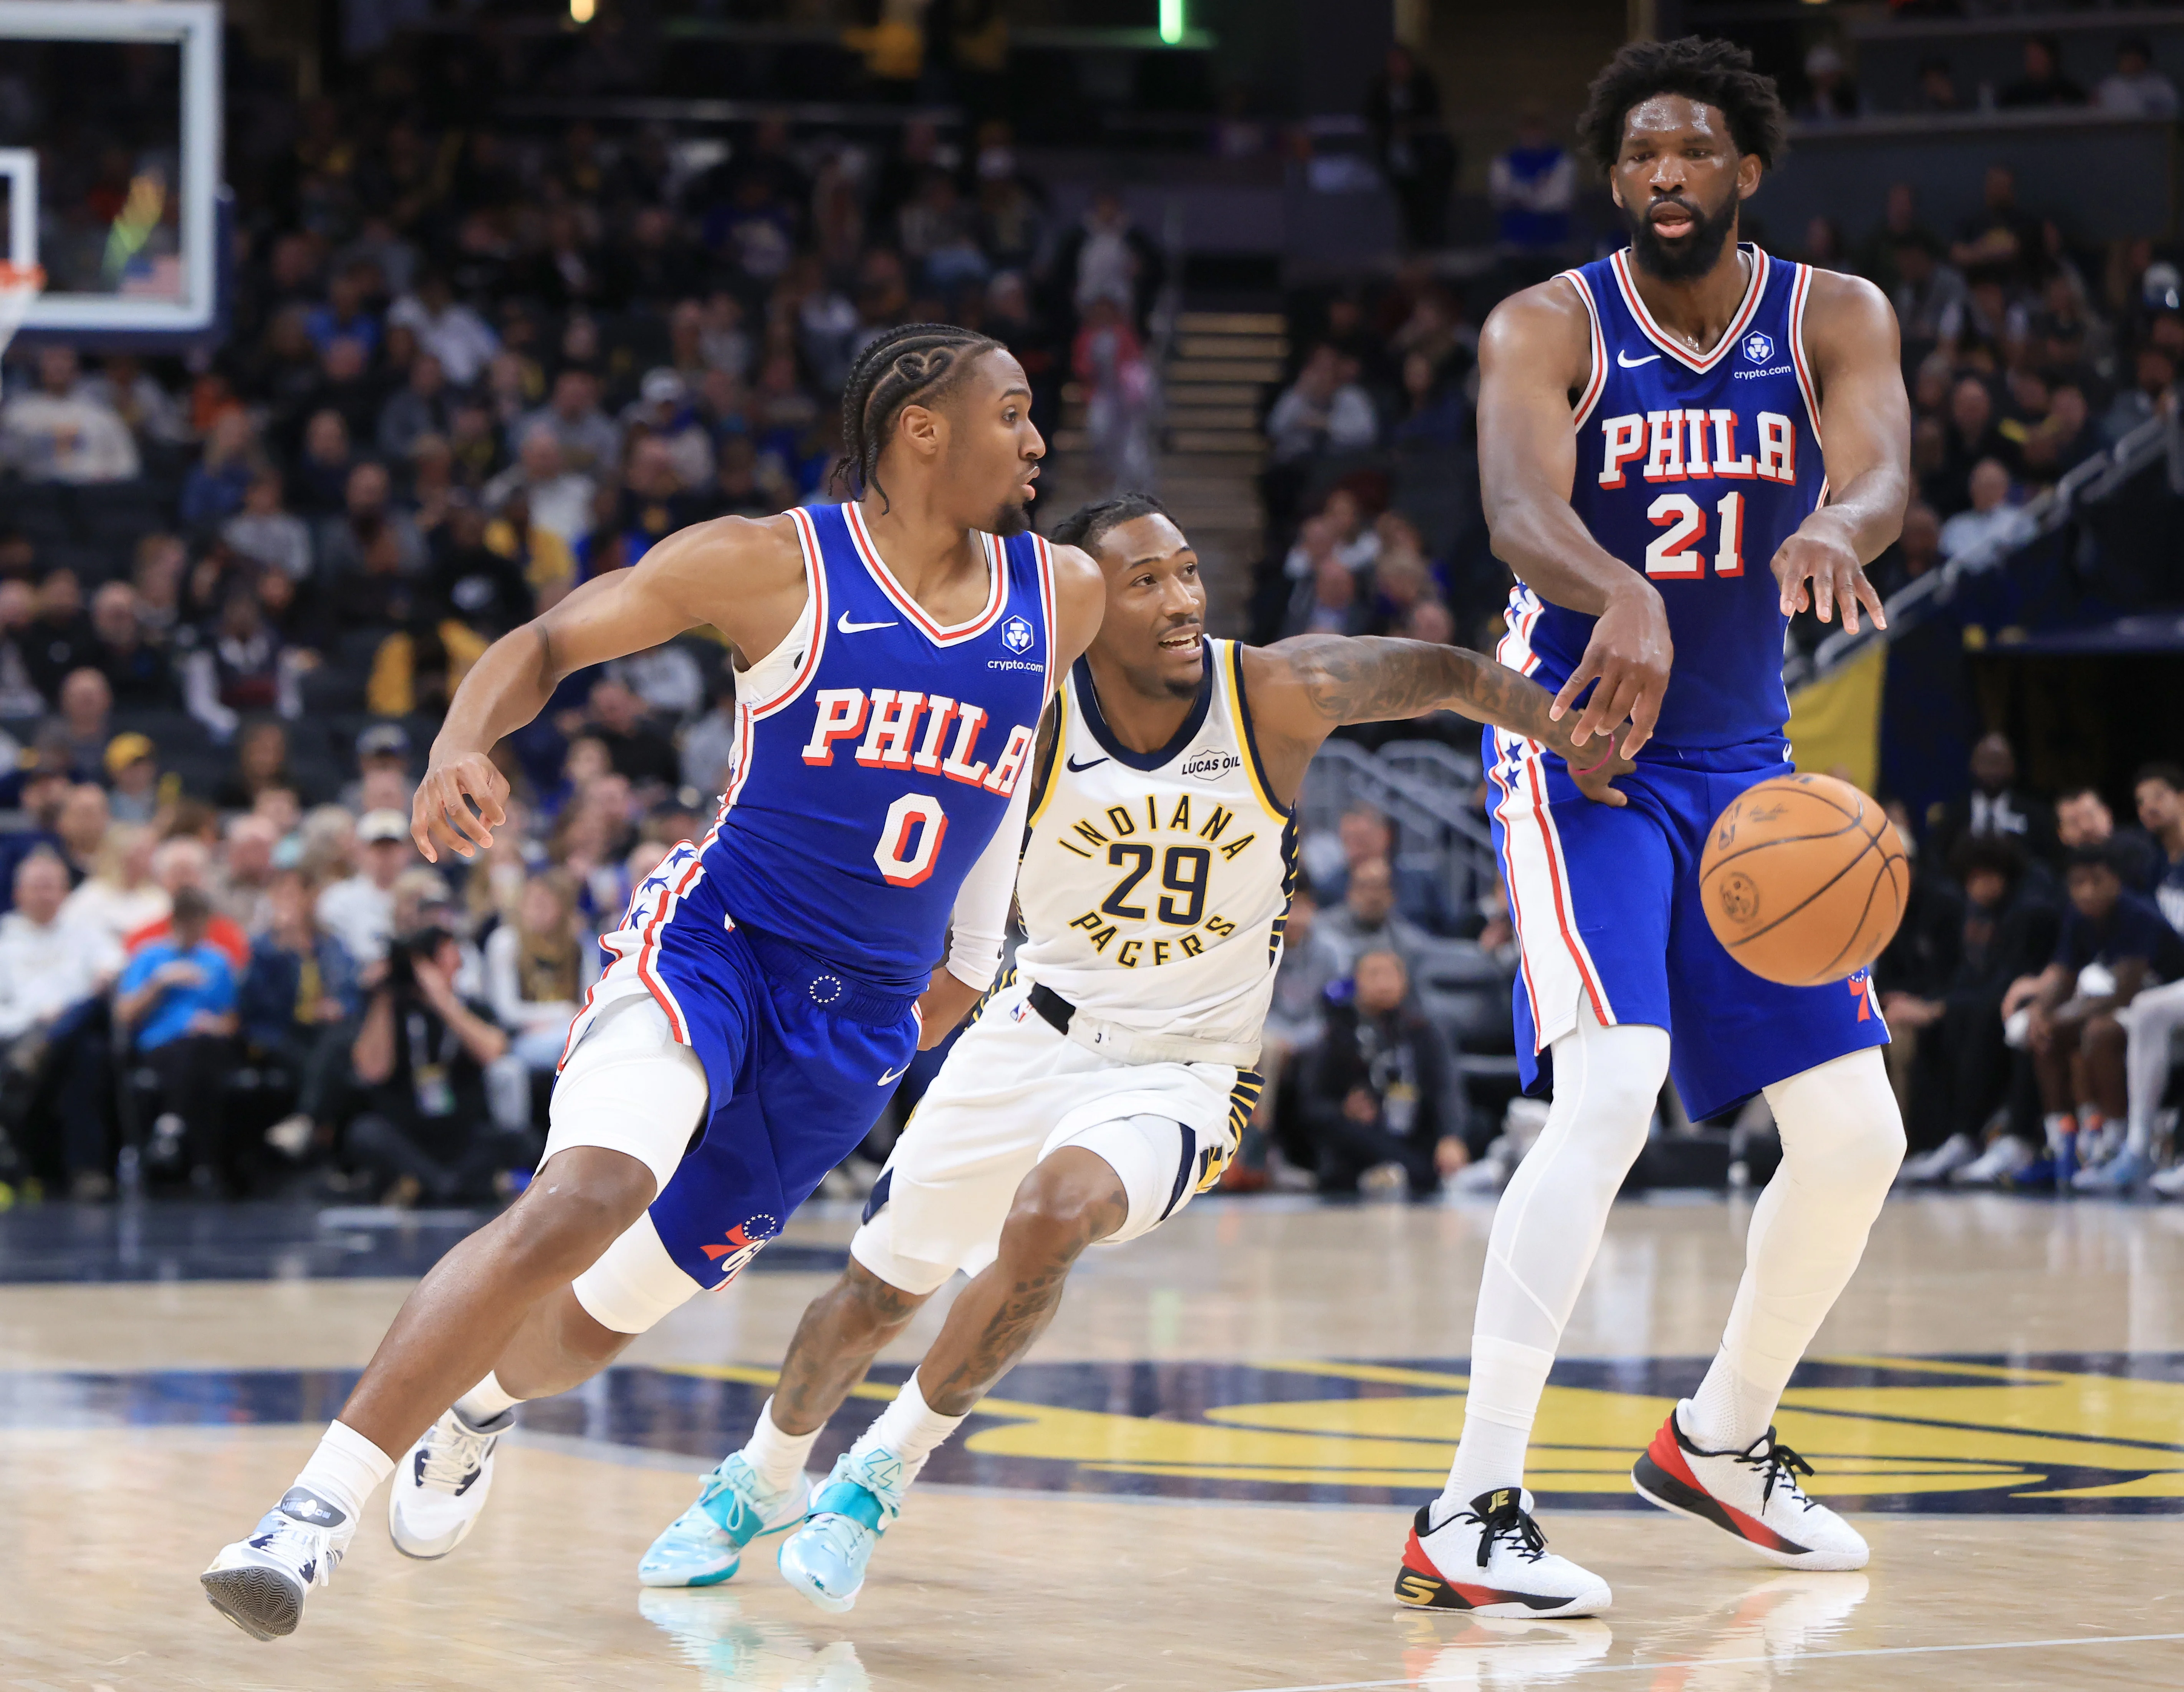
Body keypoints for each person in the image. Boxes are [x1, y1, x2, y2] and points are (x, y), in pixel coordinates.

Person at [201, 322, 1107, 1642]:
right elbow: (551, 641)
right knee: (586, 1192)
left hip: (854, 1022)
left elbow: (1003, 769)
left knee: (589, 1330)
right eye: (1013, 413)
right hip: (716, 944)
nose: (1036, 442)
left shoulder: (1062, 590)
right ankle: (310, 1510)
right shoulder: (767, 561)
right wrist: (459, 739)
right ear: (923, 427)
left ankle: (478, 1407)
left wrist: (969, 964)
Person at [629, 494, 1629, 1604]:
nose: (1179, 599)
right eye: (1144, 581)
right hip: (1028, 1030)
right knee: (871, 1293)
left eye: (1187, 571)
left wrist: (1562, 733)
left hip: (1189, 1066)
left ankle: (880, 1470)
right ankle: (761, 1472)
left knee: (1053, 1214)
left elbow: (1443, 671)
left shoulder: (1274, 692)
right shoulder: (1024, 715)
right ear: (1084, 604)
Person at [1399, 38, 1913, 1616]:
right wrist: (1610, 587)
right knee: (1608, 1091)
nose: (1662, 181)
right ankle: (1467, 1501)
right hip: (1579, 753)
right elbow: (1512, 510)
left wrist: (1835, 517)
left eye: (1689, 155)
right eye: (1635, 161)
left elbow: (1882, 463)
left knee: (1854, 1137)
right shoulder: (1542, 324)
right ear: (1610, 178)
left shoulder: (1831, 311)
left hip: (1744, 778)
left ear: (1742, 170)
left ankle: (1718, 1440)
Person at [1999, 846, 2184, 1185]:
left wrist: (2058, 1018)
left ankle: (2115, 1141)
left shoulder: (2138, 914)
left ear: (2115, 882)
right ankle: (2061, 1142)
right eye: (2077, 883)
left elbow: (2125, 992)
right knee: (2039, 1033)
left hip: (2159, 1010)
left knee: (2099, 1033)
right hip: (2124, 1007)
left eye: (2095, 881)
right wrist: (2041, 1012)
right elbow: (2064, 976)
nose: (2086, 891)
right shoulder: (2077, 915)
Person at [344, 925, 523, 1207]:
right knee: (365, 1132)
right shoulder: (391, 1010)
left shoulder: (470, 1007)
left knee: (518, 1141)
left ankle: (429, 1184)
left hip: (462, 1132)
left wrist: (443, 1000)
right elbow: (371, 1069)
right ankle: (445, 1185)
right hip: (408, 1133)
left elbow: (493, 1051)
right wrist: (385, 994)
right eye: (441, 957)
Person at [0, 850, 124, 1198]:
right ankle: (85, 1170)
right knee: (83, 1051)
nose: (44, 895)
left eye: (51, 887)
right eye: (37, 888)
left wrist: (105, 976)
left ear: (65, 893)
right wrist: (36, 1018)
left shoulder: (87, 933)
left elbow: (113, 968)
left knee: (87, 1031)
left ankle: (48, 1045)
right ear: (18, 893)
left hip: (66, 1039)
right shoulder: (4, 938)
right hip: (18, 1038)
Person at [1300, 948, 1461, 1198]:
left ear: (1404, 981)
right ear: (1356, 982)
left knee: (1473, 1125)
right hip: (1364, 1138)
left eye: (1390, 974)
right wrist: (1341, 1109)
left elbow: (1446, 1088)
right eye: (1373, 975)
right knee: (1342, 1131)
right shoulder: (1337, 1034)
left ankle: (1411, 1172)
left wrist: (1451, 1137)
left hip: (1413, 1128)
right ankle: (1405, 1174)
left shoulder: (1424, 1031)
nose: (1383, 983)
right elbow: (1312, 1104)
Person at [114, 886, 240, 1192]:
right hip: (159, 1046)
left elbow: (231, 1021)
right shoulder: (150, 957)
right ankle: (202, 1163)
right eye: (188, 923)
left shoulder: (218, 961)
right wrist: (161, 983)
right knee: (193, 1055)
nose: (194, 931)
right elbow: (125, 1014)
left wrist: (213, 1025)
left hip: (207, 1045)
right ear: (176, 922)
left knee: (203, 1048)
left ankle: (171, 1126)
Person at [239, 870, 361, 1164]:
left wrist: (338, 1007)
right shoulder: (264, 948)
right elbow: (257, 1003)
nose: (288, 902)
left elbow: (352, 992)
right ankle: (315, 1129)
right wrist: (283, 950)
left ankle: (305, 1122)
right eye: (281, 895)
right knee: (323, 1063)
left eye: (294, 894)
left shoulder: (331, 944)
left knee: (337, 1042)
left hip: (323, 1030)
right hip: (280, 1031)